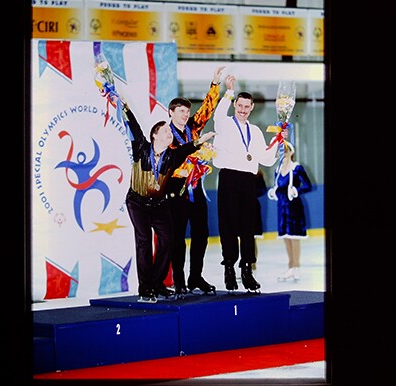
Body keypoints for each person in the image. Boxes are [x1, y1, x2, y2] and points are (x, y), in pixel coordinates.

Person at [118, 96, 216, 303]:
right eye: (166, 131)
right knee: (144, 242)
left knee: (169, 241)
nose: (170, 134)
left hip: (159, 204)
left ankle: (157, 283)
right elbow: (133, 125)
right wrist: (125, 106)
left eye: (170, 133)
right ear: (155, 134)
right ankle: (146, 287)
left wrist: (200, 140)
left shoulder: (172, 156)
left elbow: (186, 149)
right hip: (137, 202)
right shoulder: (141, 147)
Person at [212, 75, 280, 293]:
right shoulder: (224, 123)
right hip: (229, 178)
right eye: (239, 105)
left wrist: (278, 141)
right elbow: (218, 113)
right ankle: (229, 268)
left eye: (246, 107)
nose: (242, 109)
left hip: (248, 180)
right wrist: (229, 91)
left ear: (251, 108)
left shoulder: (256, 131)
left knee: (248, 226)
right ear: (235, 105)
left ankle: (247, 270)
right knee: (229, 226)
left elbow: (267, 158)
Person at [165, 67, 225, 296]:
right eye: (180, 111)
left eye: (186, 111)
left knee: (201, 233)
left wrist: (214, 83)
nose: (184, 114)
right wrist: (195, 151)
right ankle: (178, 280)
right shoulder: (166, 134)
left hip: (196, 188)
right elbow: (172, 158)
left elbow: (206, 110)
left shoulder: (193, 128)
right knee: (177, 237)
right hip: (175, 190)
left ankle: (195, 276)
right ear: (171, 112)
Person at [268, 140, 312, 282]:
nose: (283, 154)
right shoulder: (277, 170)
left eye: (285, 151)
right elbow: (278, 186)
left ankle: (296, 267)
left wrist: (296, 190)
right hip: (282, 208)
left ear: (291, 152)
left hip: (294, 208)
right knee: (286, 237)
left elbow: (308, 186)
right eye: (281, 151)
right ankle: (290, 267)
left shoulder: (297, 168)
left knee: (294, 237)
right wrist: (274, 192)